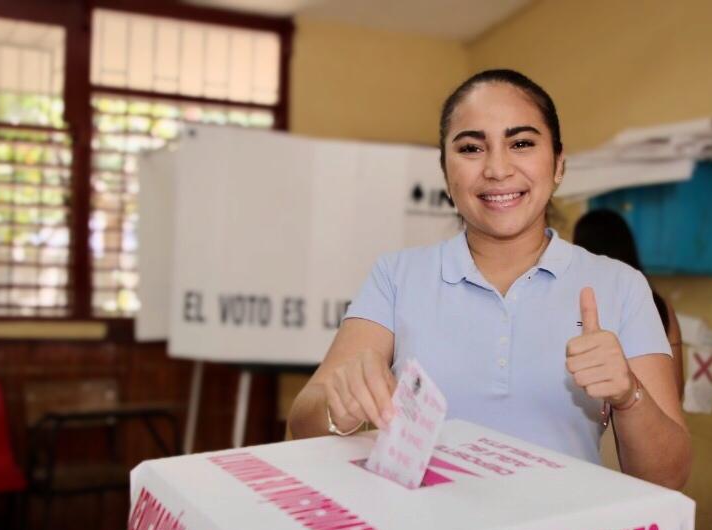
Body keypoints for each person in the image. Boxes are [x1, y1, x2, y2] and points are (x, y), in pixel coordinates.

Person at [289, 69, 690, 490]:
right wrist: (343, 406)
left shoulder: (621, 285)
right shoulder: (396, 276)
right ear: (446, 174)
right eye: (471, 148)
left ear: (558, 164)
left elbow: (669, 477)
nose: (497, 169)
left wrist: (628, 395)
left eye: (521, 143)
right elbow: (305, 420)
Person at [573, 209, 685, 399]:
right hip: (649, 419)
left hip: (600, 424)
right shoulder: (658, 304)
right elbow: (675, 390)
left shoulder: (581, 305)